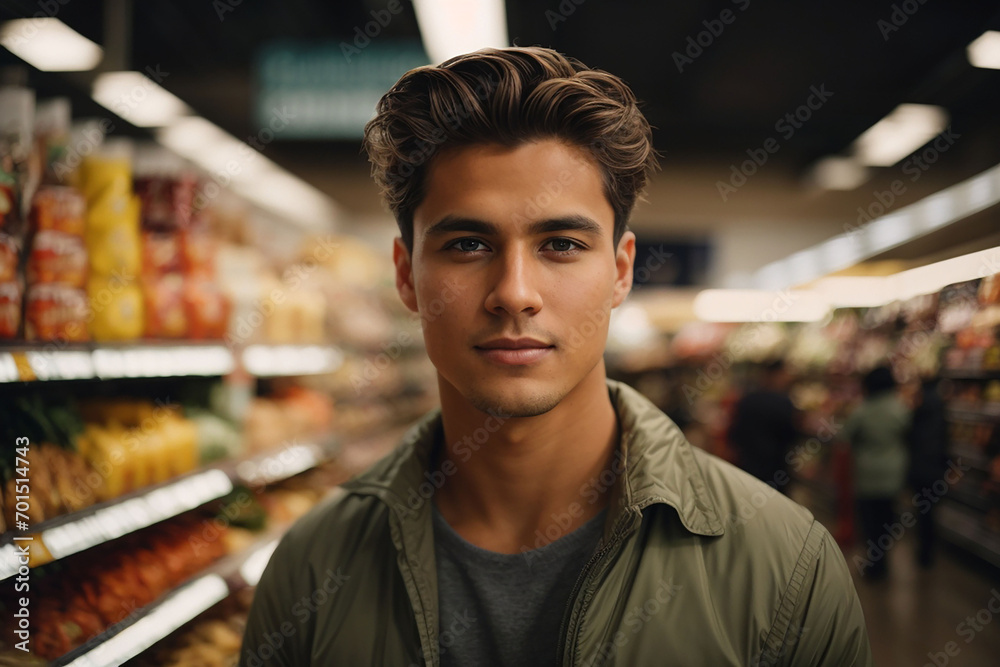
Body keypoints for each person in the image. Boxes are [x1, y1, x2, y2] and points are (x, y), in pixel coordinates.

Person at [239, 46, 871, 666]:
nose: (515, 292)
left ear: (620, 271)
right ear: (407, 276)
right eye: (465, 244)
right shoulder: (310, 570)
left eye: (562, 244)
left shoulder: (788, 572)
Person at [843, 365, 911, 581]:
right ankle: (884, 561)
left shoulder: (862, 410)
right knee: (887, 520)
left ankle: (873, 563)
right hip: (893, 473)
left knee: (869, 522)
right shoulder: (901, 409)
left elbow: (844, 438)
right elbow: (910, 438)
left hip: (867, 473)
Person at [728, 359, 800, 492]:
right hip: (775, 469)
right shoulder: (783, 403)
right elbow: (791, 435)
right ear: (775, 375)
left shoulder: (747, 400)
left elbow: (734, 433)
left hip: (748, 466)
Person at [907, 376, 949, 567]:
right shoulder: (941, 410)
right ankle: (928, 552)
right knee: (930, 511)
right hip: (934, 470)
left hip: (919, 468)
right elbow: (944, 444)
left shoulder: (919, 410)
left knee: (923, 511)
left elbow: (911, 439)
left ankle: (923, 552)